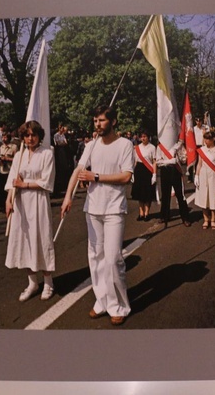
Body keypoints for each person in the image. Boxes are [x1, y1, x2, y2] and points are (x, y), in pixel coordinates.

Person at [61, 105, 134, 326]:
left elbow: (126, 177)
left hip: (114, 209)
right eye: (95, 121)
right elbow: (78, 170)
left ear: (113, 121)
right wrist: (67, 197)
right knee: (96, 258)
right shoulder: (91, 145)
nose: (97, 124)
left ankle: (119, 305)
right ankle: (102, 300)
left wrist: (97, 176)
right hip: (92, 208)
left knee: (113, 259)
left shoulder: (125, 145)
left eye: (102, 120)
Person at [5, 120, 56, 302]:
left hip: (38, 201)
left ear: (39, 136)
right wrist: (9, 199)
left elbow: (47, 182)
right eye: (26, 135)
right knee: (24, 241)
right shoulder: (19, 155)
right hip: (21, 204)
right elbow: (13, 179)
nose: (30, 138)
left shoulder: (47, 153)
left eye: (33, 134)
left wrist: (24, 184)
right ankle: (32, 282)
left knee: (41, 239)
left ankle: (48, 282)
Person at [156, 139, 192, 227]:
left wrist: (179, 157)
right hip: (165, 170)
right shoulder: (160, 146)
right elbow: (158, 162)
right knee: (165, 195)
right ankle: (164, 216)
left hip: (176, 170)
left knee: (180, 195)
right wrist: (168, 161)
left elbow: (184, 159)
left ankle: (185, 218)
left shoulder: (178, 145)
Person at [195, 131, 215, 230]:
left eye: (208, 139)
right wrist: (196, 176)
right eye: (205, 138)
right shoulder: (201, 150)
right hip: (203, 175)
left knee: (213, 197)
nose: (206, 141)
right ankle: (206, 219)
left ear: (213, 139)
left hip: (214, 175)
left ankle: (213, 220)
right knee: (204, 197)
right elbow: (199, 164)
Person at [131, 131, 157, 221]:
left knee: (147, 193)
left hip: (148, 171)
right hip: (138, 170)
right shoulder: (137, 148)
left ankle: (147, 213)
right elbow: (134, 161)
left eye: (145, 136)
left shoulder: (152, 147)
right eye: (141, 137)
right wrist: (132, 173)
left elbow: (154, 162)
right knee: (140, 193)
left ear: (148, 137)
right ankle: (141, 213)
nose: (143, 138)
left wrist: (154, 174)